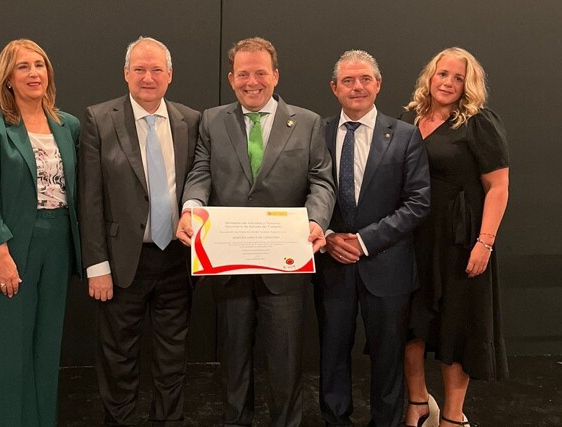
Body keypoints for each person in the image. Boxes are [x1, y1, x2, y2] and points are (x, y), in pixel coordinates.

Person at [176, 37, 335, 426]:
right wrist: (191, 207)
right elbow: (200, 172)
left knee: (286, 364)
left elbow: (322, 182)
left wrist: (316, 221)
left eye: (260, 72)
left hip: (285, 265)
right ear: (231, 79)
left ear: (275, 75)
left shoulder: (309, 122)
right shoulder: (211, 120)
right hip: (228, 263)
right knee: (233, 363)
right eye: (243, 74)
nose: (252, 81)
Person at [79, 36, 201, 426]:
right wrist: (96, 264)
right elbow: (90, 199)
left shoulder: (191, 121)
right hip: (120, 260)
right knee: (118, 354)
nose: (148, 78)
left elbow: (199, 182)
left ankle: (170, 420)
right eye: (139, 69)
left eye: (156, 70)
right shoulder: (99, 118)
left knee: (172, 353)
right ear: (126, 74)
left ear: (170, 75)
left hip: (176, 258)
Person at [0, 39, 81, 426]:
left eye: (40, 65)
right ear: (8, 79)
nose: (34, 74)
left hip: (58, 243)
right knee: (10, 355)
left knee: (46, 351)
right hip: (10, 247)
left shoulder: (68, 125)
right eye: (23, 67)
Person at [313, 50, 430, 427]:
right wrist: (329, 236)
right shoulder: (318, 132)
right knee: (332, 355)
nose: (357, 86)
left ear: (378, 84)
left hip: (388, 266)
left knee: (388, 358)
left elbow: (417, 202)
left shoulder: (406, 136)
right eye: (348, 80)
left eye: (365, 78)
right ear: (334, 88)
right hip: (332, 263)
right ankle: (335, 420)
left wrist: (363, 241)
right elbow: (307, 191)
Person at [401, 47, 510, 427]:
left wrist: (485, 242)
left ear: (469, 85)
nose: (447, 82)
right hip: (413, 237)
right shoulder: (409, 119)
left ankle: (452, 416)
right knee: (411, 323)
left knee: (456, 325)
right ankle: (417, 402)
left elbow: (498, 187)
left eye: (458, 77)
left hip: (462, 240)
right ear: (429, 77)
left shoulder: (479, 122)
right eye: (442, 74)